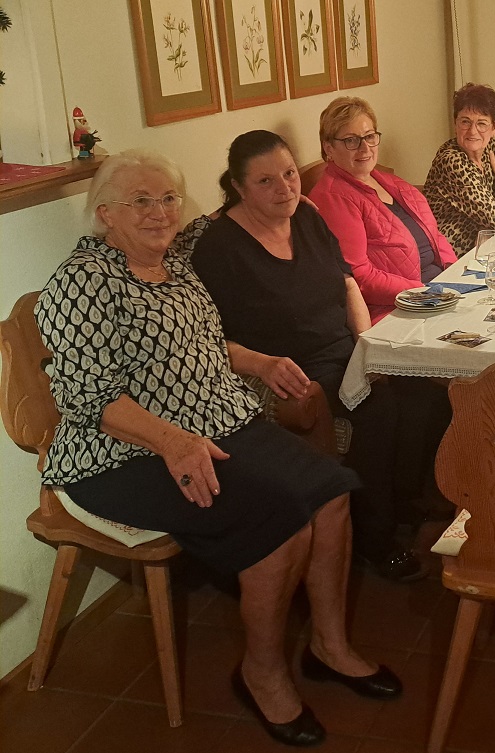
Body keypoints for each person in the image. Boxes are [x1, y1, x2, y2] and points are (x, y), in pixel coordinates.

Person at [35, 150, 402, 748]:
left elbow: (204, 341)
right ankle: (261, 672)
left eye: (168, 199)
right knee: (280, 522)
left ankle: (328, 647)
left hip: (218, 422)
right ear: (105, 214)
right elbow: (88, 398)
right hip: (123, 452)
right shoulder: (83, 282)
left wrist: (261, 361)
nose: (159, 212)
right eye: (140, 201)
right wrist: (173, 441)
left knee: (331, 492)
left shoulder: (175, 265)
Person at [191, 130, 429, 583]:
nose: (284, 188)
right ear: (238, 187)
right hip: (294, 368)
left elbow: (347, 282)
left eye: (288, 174)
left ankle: (400, 505)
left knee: (420, 387)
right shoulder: (219, 249)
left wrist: (368, 345)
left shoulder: (306, 217)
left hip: (346, 348)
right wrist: (262, 363)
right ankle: (374, 541)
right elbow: (207, 337)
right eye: (265, 181)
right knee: (377, 409)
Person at [309, 96, 457, 323]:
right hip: (397, 308)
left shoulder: (389, 181)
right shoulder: (332, 197)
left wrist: (455, 276)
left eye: (369, 136)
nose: (365, 148)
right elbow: (361, 278)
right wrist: (423, 291)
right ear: (329, 147)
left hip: (438, 292)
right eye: (351, 140)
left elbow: (434, 236)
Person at [423, 82, 495, 253]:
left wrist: (494, 217)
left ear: (494, 127)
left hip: (488, 244)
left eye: (482, 123)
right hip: (455, 253)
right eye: (465, 122)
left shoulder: (491, 148)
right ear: (455, 124)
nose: (473, 131)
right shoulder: (451, 161)